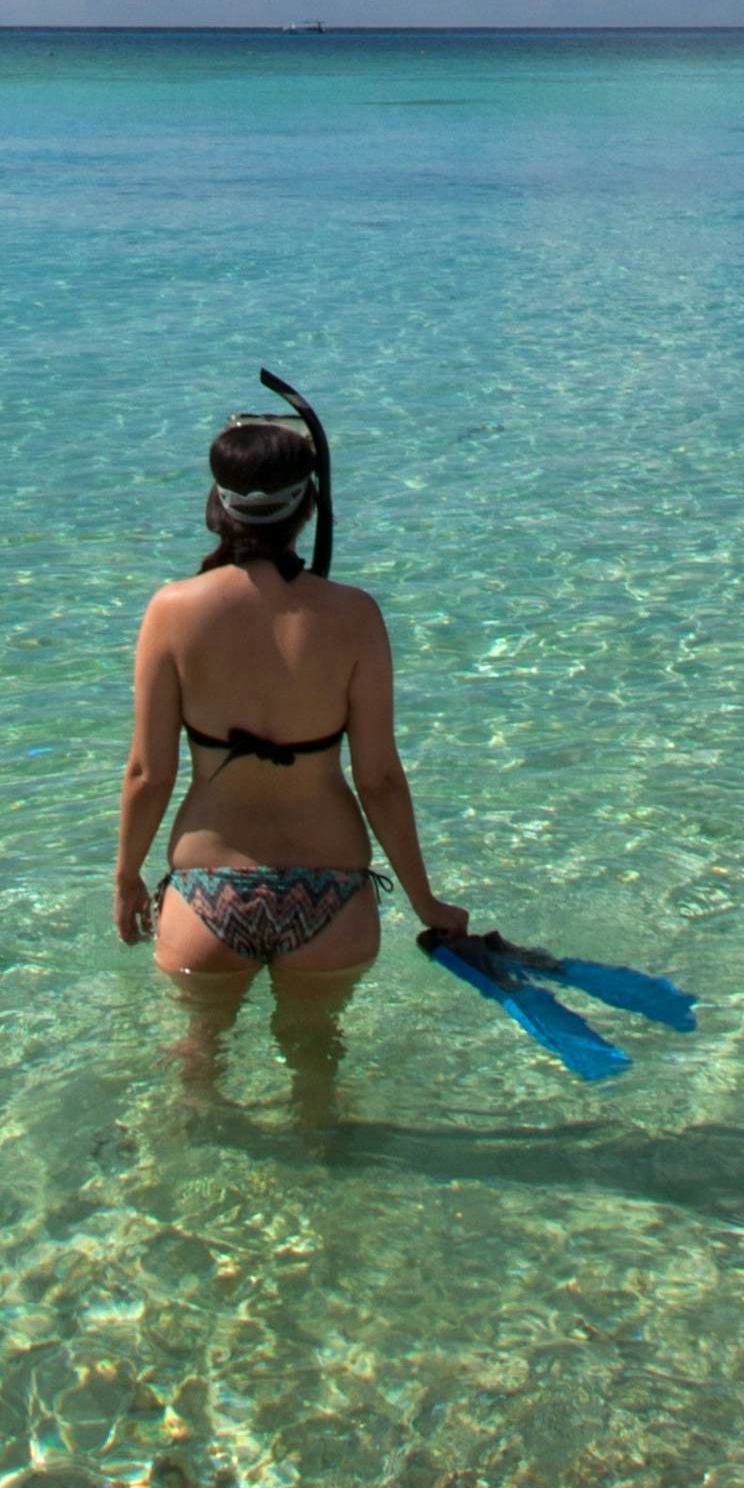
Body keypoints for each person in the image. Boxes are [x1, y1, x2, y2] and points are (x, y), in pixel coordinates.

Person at [113, 380, 463, 1047]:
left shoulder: (172, 611)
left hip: (207, 894)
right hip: (332, 894)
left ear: (218, 506)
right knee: (317, 1072)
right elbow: (381, 780)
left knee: (193, 1070)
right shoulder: (354, 616)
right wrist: (427, 904)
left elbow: (146, 776)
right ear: (308, 507)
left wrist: (127, 879)